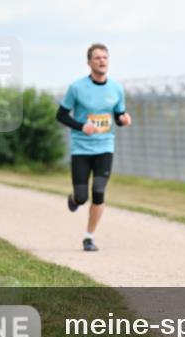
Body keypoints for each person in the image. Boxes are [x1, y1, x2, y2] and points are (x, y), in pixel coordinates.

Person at [57, 44, 132, 251]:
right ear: (89, 62)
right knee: (82, 196)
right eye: (97, 58)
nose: (102, 61)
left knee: (99, 191)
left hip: (105, 147)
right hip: (81, 149)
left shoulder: (116, 88)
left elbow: (117, 116)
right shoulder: (77, 88)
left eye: (105, 57)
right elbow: (61, 115)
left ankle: (89, 237)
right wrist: (82, 126)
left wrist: (124, 119)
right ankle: (74, 199)